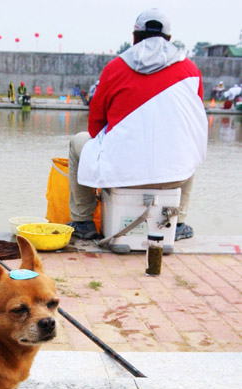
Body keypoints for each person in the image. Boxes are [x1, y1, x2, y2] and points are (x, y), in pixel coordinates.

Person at [68, 8, 208, 241]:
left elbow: (94, 127)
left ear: (134, 37)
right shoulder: (191, 71)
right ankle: (179, 221)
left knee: (77, 142)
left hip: (119, 173)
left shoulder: (115, 68)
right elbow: (193, 123)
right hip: (172, 176)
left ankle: (83, 221)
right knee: (189, 146)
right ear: (170, 39)